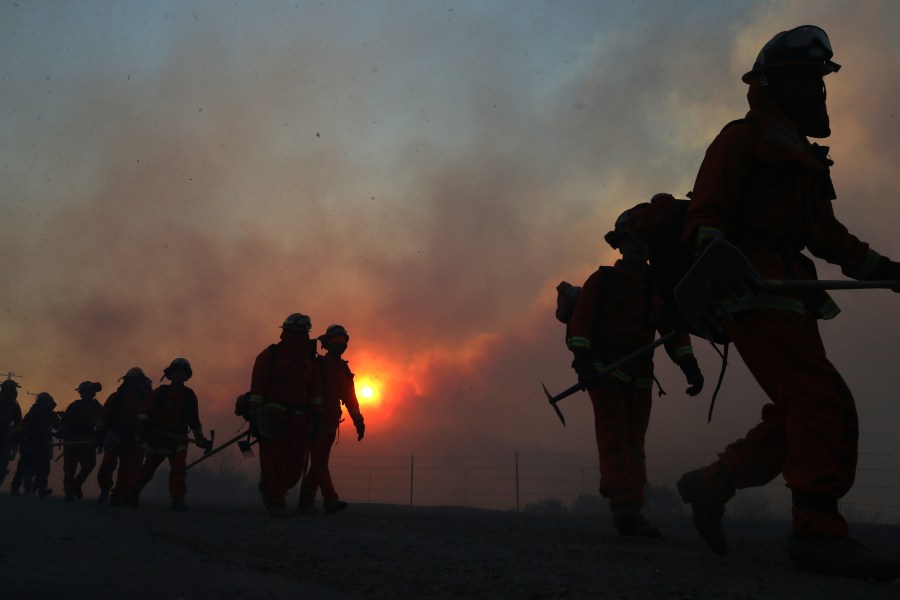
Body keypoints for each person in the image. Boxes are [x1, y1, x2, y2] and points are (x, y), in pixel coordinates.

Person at [677, 25, 900, 580]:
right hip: (753, 293)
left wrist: (889, 272)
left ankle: (711, 484)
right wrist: (719, 253)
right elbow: (704, 217)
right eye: (807, 81)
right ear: (774, 85)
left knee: (797, 410)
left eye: (821, 82)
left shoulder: (803, 155)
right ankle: (817, 534)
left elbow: (826, 236)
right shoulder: (739, 139)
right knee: (823, 401)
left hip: (792, 296)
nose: (818, 92)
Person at [566, 212, 704, 536]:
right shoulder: (601, 282)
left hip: (641, 376)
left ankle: (633, 507)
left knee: (634, 441)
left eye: (643, 242)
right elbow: (580, 328)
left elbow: (673, 331)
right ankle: (624, 506)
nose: (637, 247)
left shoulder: (657, 287)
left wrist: (689, 366)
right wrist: (584, 364)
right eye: (630, 241)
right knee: (615, 436)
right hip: (604, 372)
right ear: (620, 246)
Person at [248, 313, 323, 517]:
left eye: (301, 334)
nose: (297, 338)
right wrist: (256, 414)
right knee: (274, 459)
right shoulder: (269, 355)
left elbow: (315, 392)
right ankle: (275, 501)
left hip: (300, 418)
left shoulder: (310, 362)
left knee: (295, 465)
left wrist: (316, 416)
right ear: (284, 333)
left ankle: (272, 486)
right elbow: (257, 388)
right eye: (293, 333)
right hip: (273, 414)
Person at [123, 358, 211, 511]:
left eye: (183, 373)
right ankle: (132, 492)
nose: (180, 375)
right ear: (171, 374)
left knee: (179, 469)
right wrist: (143, 430)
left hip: (179, 439)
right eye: (177, 372)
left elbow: (194, 421)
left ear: (187, 376)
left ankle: (178, 499)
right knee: (148, 469)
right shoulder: (160, 392)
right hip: (157, 438)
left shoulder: (189, 395)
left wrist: (200, 439)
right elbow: (145, 413)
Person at [298, 324, 365, 515]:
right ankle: (330, 499)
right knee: (319, 462)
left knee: (319, 463)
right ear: (328, 345)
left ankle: (306, 502)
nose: (340, 346)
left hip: (330, 422)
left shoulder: (343, 369)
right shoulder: (317, 365)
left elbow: (350, 398)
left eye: (342, 343)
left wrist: (358, 419)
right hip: (315, 421)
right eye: (337, 343)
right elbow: (309, 391)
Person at [96, 367, 151, 505]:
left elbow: (151, 418)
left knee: (129, 467)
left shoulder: (146, 399)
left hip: (135, 438)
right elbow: (103, 416)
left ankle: (119, 495)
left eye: (135, 381)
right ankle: (104, 489)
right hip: (115, 435)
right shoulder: (116, 397)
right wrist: (99, 434)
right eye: (130, 381)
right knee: (108, 464)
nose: (132, 384)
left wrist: (144, 435)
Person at [10, 392, 60, 497]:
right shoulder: (34, 412)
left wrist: (62, 431)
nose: (45, 403)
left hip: (43, 444)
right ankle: (15, 487)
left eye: (46, 401)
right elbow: (24, 425)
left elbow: (59, 426)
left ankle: (42, 489)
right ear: (39, 401)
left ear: (50, 401)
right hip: (30, 443)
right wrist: (21, 435)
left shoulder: (52, 414)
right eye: (43, 401)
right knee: (23, 466)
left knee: (44, 468)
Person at [61, 381, 104, 502]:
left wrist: (100, 436)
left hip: (88, 441)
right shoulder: (74, 406)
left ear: (93, 393)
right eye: (84, 392)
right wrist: (61, 430)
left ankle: (77, 484)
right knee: (69, 468)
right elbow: (65, 422)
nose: (86, 394)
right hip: (72, 441)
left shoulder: (97, 407)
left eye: (89, 392)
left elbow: (102, 422)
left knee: (89, 465)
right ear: (81, 393)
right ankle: (69, 492)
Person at [0, 378, 23, 487]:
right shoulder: (14, 405)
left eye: (11, 390)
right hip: (5, 434)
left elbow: (18, 421)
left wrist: (17, 432)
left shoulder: (14, 405)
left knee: (3, 462)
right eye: (7, 390)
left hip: (5, 436)